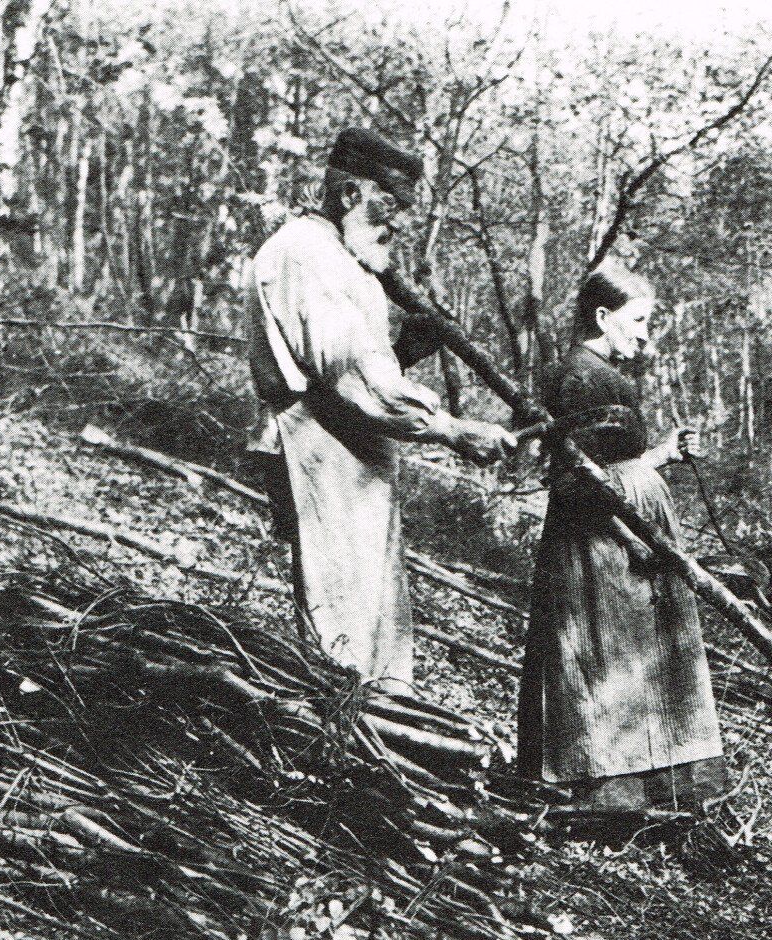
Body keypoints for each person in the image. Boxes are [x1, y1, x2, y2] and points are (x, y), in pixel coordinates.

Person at [246, 127, 512, 689]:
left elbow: (360, 362)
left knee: (373, 610)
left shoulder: (344, 256)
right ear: (350, 194)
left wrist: (406, 349)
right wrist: (449, 429)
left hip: (352, 454)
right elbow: (349, 374)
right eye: (390, 206)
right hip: (319, 451)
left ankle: (378, 718)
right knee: (341, 615)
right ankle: (348, 723)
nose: (399, 224)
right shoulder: (305, 253)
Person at [515, 262, 725, 815]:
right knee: (608, 650)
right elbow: (578, 477)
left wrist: (663, 454)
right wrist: (634, 536)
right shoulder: (581, 375)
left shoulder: (598, 374)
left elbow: (612, 463)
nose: (645, 334)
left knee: (637, 651)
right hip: (604, 539)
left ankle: (649, 786)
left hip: (622, 528)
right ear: (604, 317)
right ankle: (609, 791)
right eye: (638, 320)